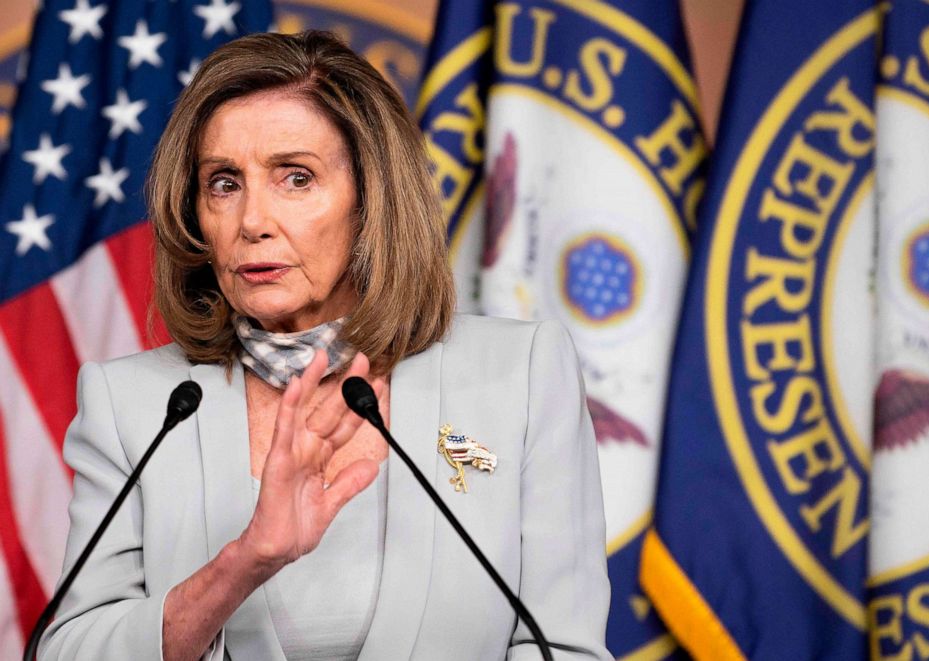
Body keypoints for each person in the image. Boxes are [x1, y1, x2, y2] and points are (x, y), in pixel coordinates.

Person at [40, 30, 611, 661]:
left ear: (371, 200)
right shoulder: (135, 406)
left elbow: (563, 647)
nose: (252, 221)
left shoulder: (520, 376)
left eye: (296, 178)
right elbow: (69, 650)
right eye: (224, 183)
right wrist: (244, 562)